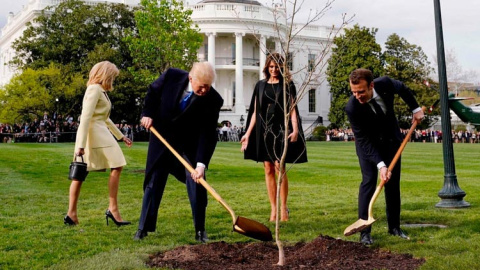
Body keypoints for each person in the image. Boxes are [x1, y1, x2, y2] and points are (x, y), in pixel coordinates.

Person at [134, 62, 223, 242]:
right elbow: (152, 92)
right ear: (191, 79)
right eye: (201, 86)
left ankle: (200, 231)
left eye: (208, 86)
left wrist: (200, 165)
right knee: (153, 182)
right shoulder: (171, 76)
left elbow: (207, 134)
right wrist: (147, 114)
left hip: (189, 145)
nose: (205, 90)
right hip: (162, 139)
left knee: (197, 184)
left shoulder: (214, 100)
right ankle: (143, 228)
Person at [345, 68, 424, 245]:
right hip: (368, 147)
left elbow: (402, 88)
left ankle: (394, 227)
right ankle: (365, 232)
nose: (357, 95)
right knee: (369, 181)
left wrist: (416, 108)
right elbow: (363, 140)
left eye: (361, 91)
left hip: (391, 142)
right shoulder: (352, 108)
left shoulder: (385, 83)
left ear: (371, 85)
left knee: (393, 183)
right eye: (354, 92)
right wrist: (381, 165)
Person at [240, 53, 307, 222]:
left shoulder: (287, 85)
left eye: (277, 67)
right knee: (268, 168)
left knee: (279, 168)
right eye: (271, 67)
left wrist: (296, 128)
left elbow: (292, 108)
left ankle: (283, 209)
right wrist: (247, 134)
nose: (274, 70)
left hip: (281, 129)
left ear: (282, 68)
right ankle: (273, 210)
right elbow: (255, 112)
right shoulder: (260, 86)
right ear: (266, 68)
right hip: (264, 130)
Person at [64, 61, 132, 226]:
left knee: (83, 174)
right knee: (81, 173)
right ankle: (110, 210)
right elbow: (85, 117)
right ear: (106, 74)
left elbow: (105, 117)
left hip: (100, 134)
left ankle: (72, 215)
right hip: (95, 135)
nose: (113, 80)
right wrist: (80, 145)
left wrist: (121, 136)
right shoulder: (94, 89)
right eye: (112, 76)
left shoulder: (100, 91)